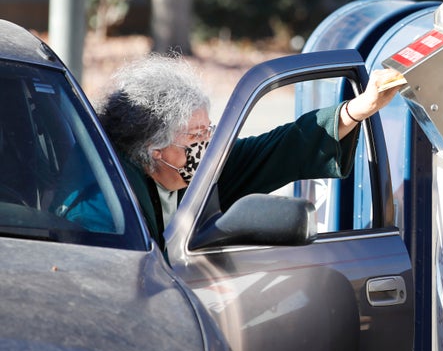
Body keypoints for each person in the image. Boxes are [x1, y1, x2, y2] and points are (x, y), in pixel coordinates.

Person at [96, 54, 402, 252]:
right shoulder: (110, 205)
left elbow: (282, 148)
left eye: (209, 131)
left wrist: (357, 109)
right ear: (154, 151)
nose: (207, 145)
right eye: (195, 135)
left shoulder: (198, 174)